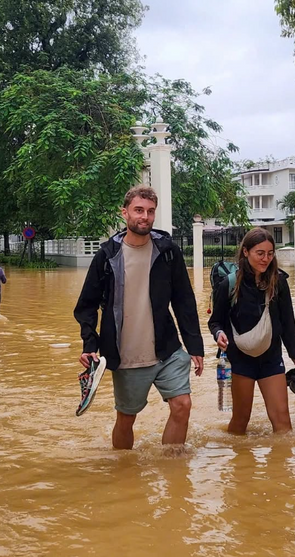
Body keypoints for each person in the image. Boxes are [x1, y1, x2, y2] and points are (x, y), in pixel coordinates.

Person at [74, 185, 204, 450]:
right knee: (126, 418)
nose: (144, 217)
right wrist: (90, 345)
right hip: (126, 356)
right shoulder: (107, 256)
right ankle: (124, 473)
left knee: (183, 406)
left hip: (167, 350)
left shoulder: (168, 252)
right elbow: (86, 306)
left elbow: (184, 301)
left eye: (150, 211)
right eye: (138, 210)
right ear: (125, 213)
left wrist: (195, 346)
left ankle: (173, 470)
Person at [208, 227, 295, 434]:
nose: (266, 259)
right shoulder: (230, 284)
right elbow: (215, 321)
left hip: (271, 358)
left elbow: (288, 321)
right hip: (239, 359)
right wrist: (219, 334)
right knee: (240, 421)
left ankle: (281, 466)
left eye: (270, 254)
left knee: (283, 422)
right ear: (246, 252)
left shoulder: (278, 282)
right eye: (260, 253)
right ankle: (240, 465)